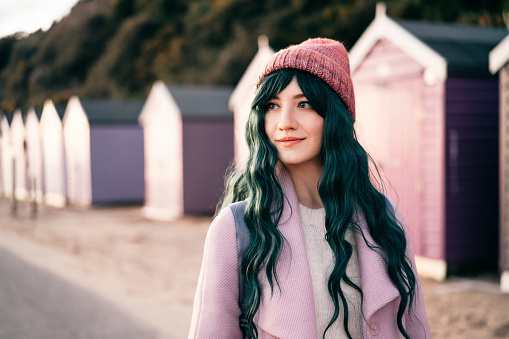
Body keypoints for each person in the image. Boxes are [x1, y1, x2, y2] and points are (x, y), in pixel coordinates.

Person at [188, 38, 431, 339]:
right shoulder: (236, 228)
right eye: (272, 106)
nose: (285, 122)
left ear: (335, 117)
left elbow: (416, 326)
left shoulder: (383, 216)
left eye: (303, 104)